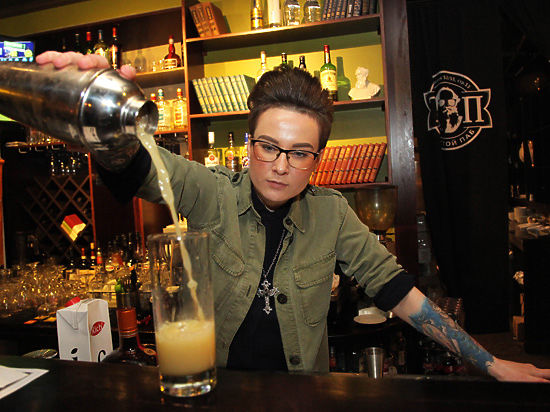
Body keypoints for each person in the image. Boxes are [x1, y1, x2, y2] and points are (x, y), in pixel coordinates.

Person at [37, 51, 550, 382]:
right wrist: (101, 123)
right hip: (217, 392)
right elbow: (139, 168)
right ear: (248, 144)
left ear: (317, 159)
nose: (281, 166)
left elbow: (398, 292)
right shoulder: (211, 192)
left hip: (304, 396)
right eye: (269, 146)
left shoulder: (332, 213)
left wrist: (489, 362)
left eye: (300, 153)